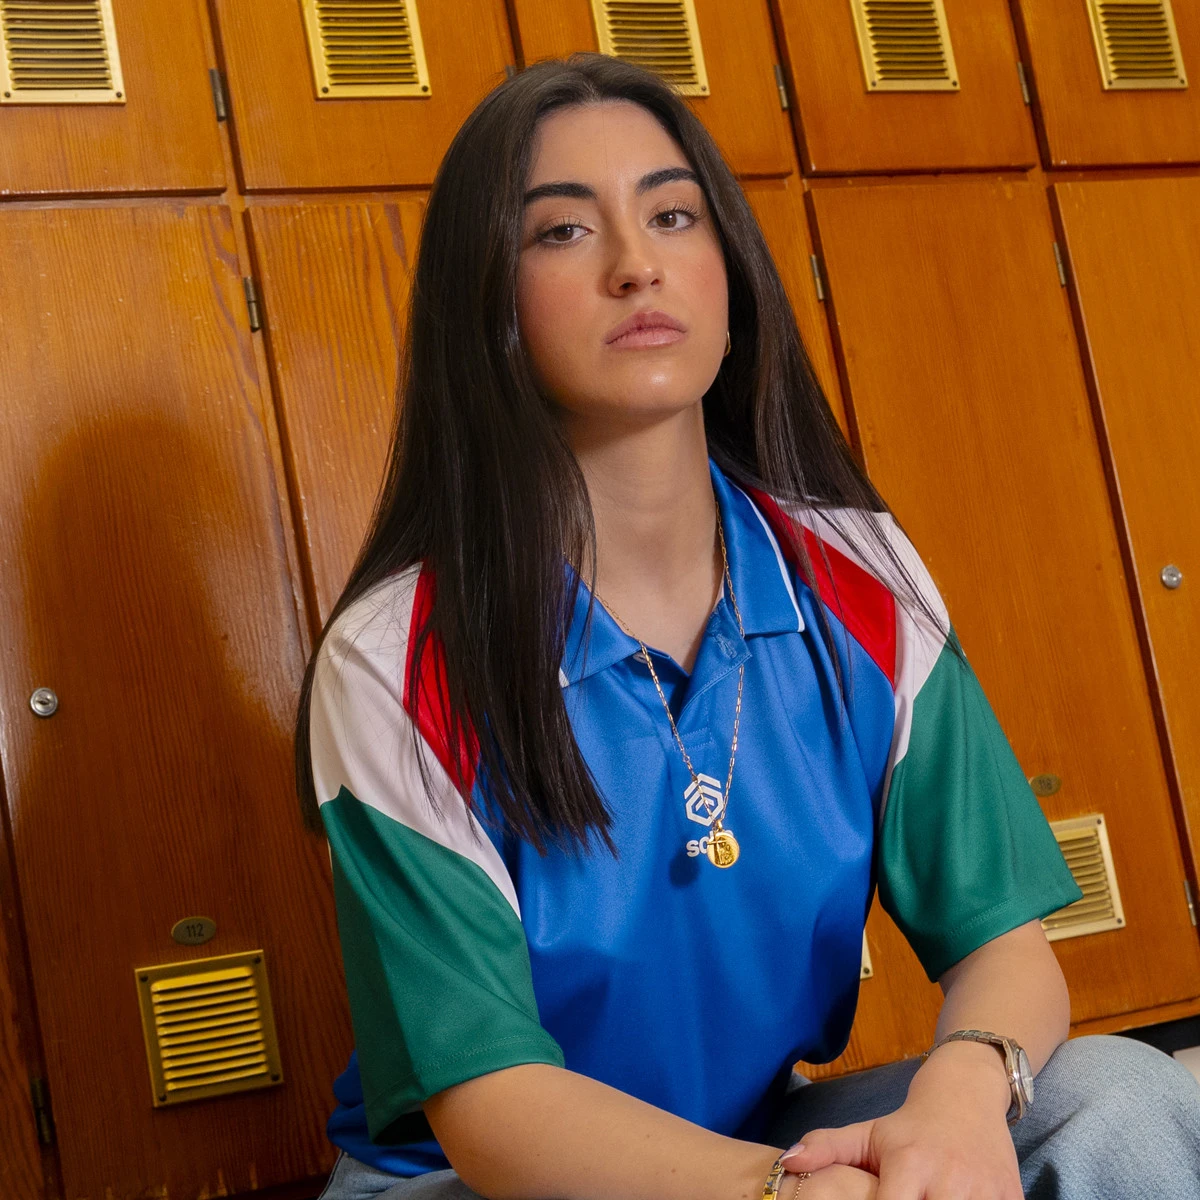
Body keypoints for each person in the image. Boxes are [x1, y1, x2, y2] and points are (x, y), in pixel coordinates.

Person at [293, 52, 1200, 1200]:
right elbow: (493, 1109)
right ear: (490, 310)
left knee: (1122, 1097)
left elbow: (1002, 944)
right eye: (563, 232)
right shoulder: (398, 657)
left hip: (761, 1133)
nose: (637, 264)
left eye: (673, 216)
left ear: (729, 273)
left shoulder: (856, 574)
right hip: (483, 1180)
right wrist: (782, 1192)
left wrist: (962, 1101)